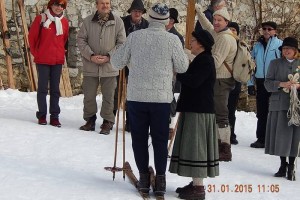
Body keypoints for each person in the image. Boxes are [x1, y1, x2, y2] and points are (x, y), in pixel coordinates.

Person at [111, 3, 189, 197]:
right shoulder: (172, 40)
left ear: (150, 18)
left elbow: (116, 62)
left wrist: (130, 58)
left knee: (138, 138)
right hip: (161, 98)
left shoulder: (134, 37)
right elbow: (182, 67)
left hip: (137, 97)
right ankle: (160, 179)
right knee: (161, 139)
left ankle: (144, 178)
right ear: (167, 21)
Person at [169, 30, 218, 200]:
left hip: (200, 111)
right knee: (193, 147)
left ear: (201, 44)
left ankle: (198, 188)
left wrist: (179, 73)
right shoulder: (201, 59)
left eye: (194, 41)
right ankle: (195, 183)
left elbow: (195, 81)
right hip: (196, 108)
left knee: (197, 149)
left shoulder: (205, 60)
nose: (191, 43)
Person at [77, 0, 126, 135]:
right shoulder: (87, 22)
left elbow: (122, 43)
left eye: (107, 3)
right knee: (89, 95)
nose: (105, 6)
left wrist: (109, 56)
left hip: (110, 66)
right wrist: (91, 56)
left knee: (109, 96)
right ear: (96, 5)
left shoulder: (118, 22)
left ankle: (107, 121)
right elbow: (81, 40)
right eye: (102, 3)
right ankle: (90, 120)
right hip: (90, 65)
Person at [195, 5, 237, 161]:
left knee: (220, 113)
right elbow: (207, 26)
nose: (216, 22)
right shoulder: (218, 32)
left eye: (220, 20)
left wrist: (195, 59)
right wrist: (199, 11)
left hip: (221, 80)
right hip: (216, 79)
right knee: (214, 112)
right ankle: (217, 144)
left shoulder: (225, 39)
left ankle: (225, 148)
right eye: (215, 19)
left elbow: (216, 61)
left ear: (227, 22)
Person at [28, 0, 69, 127]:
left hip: (57, 60)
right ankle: (42, 115)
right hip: (43, 60)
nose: (59, 8)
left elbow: (65, 39)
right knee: (42, 89)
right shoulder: (41, 19)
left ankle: (54, 116)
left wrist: (60, 53)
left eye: (62, 6)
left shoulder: (64, 22)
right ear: (51, 5)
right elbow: (32, 38)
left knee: (55, 90)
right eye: (56, 4)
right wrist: (38, 53)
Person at [264, 37, 300, 181]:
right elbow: (267, 84)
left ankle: (291, 166)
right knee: (281, 136)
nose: (286, 51)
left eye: (289, 49)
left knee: (295, 136)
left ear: (295, 51)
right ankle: (282, 164)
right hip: (279, 105)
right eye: (284, 49)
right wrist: (281, 84)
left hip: (296, 106)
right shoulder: (275, 64)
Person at [113, 0, 149, 132]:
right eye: (135, 11)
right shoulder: (122, 22)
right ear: (131, 12)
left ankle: (130, 122)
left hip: (137, 63)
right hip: (123, 60)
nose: (137, 13)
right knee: (117, 90)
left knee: (133, 93)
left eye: (139, 11)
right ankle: (111, 119)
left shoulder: (147, 25)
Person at [249, 21, 282, 148]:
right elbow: (250, 65)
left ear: (275, 31)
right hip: (261, 81)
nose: (267, 31)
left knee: (275, 111)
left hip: (275, 81)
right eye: (264, 29)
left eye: (270, 29)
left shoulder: (280, 45)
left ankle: (274, 139)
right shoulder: (257, 46)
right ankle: (261, 138)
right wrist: (250, 83)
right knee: (262, 111)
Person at [166, 7, 184, 138]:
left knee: (168, 99)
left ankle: (169, 127)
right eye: (168, 18)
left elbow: (178, 59)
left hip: (169, 73)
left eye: (171, 19)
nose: (169, 21)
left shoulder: (177, 37)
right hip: (155, 73)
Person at [227, 22, 241, 145]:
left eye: (234, 30)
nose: (231, 32)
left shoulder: (240, 46)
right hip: (222, 79)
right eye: (229, 29)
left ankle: (231, 134)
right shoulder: (222, 42)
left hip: (235, 80)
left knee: (231, 110)